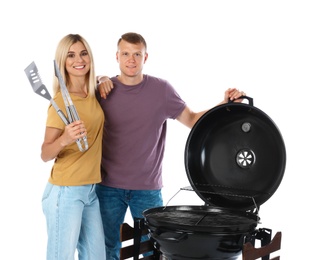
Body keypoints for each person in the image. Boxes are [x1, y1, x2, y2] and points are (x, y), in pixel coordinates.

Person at [96, 32, 246, 260]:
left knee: (155, 251)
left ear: (146, 58)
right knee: (106, 248)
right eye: (125, 53)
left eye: (137, 54)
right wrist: (99, 78)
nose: (131, 59)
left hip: (147, 189)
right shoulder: (104, 91)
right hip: (108, 187)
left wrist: (224, 104)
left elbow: (193, 119)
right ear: (117, 56)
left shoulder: (161, 90)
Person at [41, 34, 106, 260]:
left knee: (97, 256)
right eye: (71, 55)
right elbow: (45, 153)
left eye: (83, 53)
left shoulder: (92, 93)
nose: (79, 59)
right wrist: (64, 139)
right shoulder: (60, 101)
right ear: (62, 62)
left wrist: (104, 79)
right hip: (65, 191)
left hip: (90, 190)